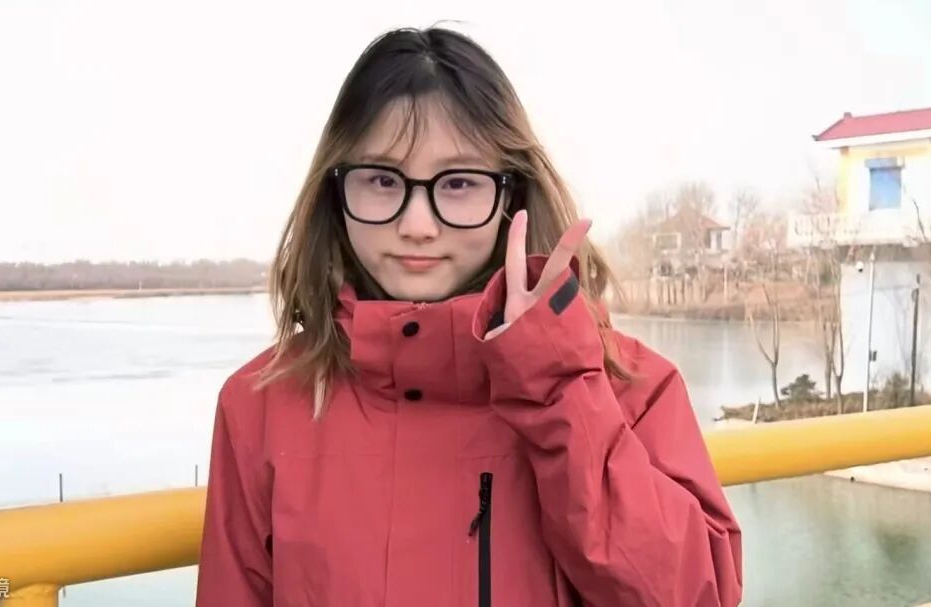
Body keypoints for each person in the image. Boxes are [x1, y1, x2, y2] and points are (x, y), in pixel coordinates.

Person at [196, 26, 742, 607]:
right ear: (335, 192)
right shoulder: (260, 407)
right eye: (382, 180)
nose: (417, 225)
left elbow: (697, 594)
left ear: (513, 196)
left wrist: (554, 385)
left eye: (458, 183)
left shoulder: (624, 387)